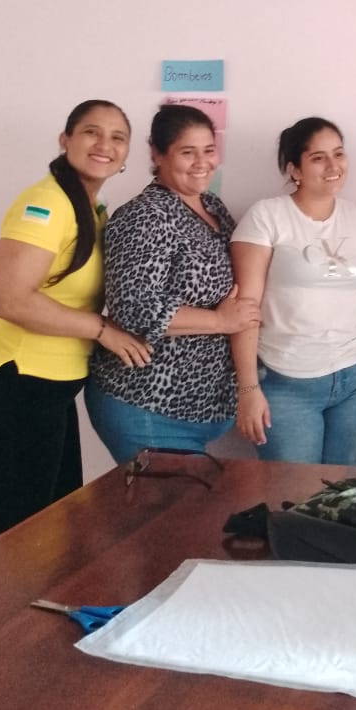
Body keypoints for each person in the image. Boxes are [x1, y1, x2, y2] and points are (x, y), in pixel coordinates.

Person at [0, 100, 150, 540]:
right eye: (91, 132)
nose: (104, 144)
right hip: (14, 385)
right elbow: (9, 299)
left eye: (117, 137)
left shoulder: (88, 207)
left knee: (55, 531)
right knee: (19, 540)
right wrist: (102, 330)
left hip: (49, 390)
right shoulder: (46, 204)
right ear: (65, 139)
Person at [230, 116, 356, 465]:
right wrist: (248, 389)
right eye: (318, 158)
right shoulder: (266, 217)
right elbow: (245, 307)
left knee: (351, 490)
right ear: (294, 169)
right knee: (294, 492)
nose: (333, 166)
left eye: (338, 154)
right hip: (286, 385)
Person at [86, 104, 260, 462]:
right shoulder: (143, 217)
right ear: (157, 154)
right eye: (187, 152)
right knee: (169, 500)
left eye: (209, 150)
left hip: (200, 408)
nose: (202, 162)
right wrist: (220, 321)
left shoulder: (212, 206)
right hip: (146, 404)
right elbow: (134, 309)